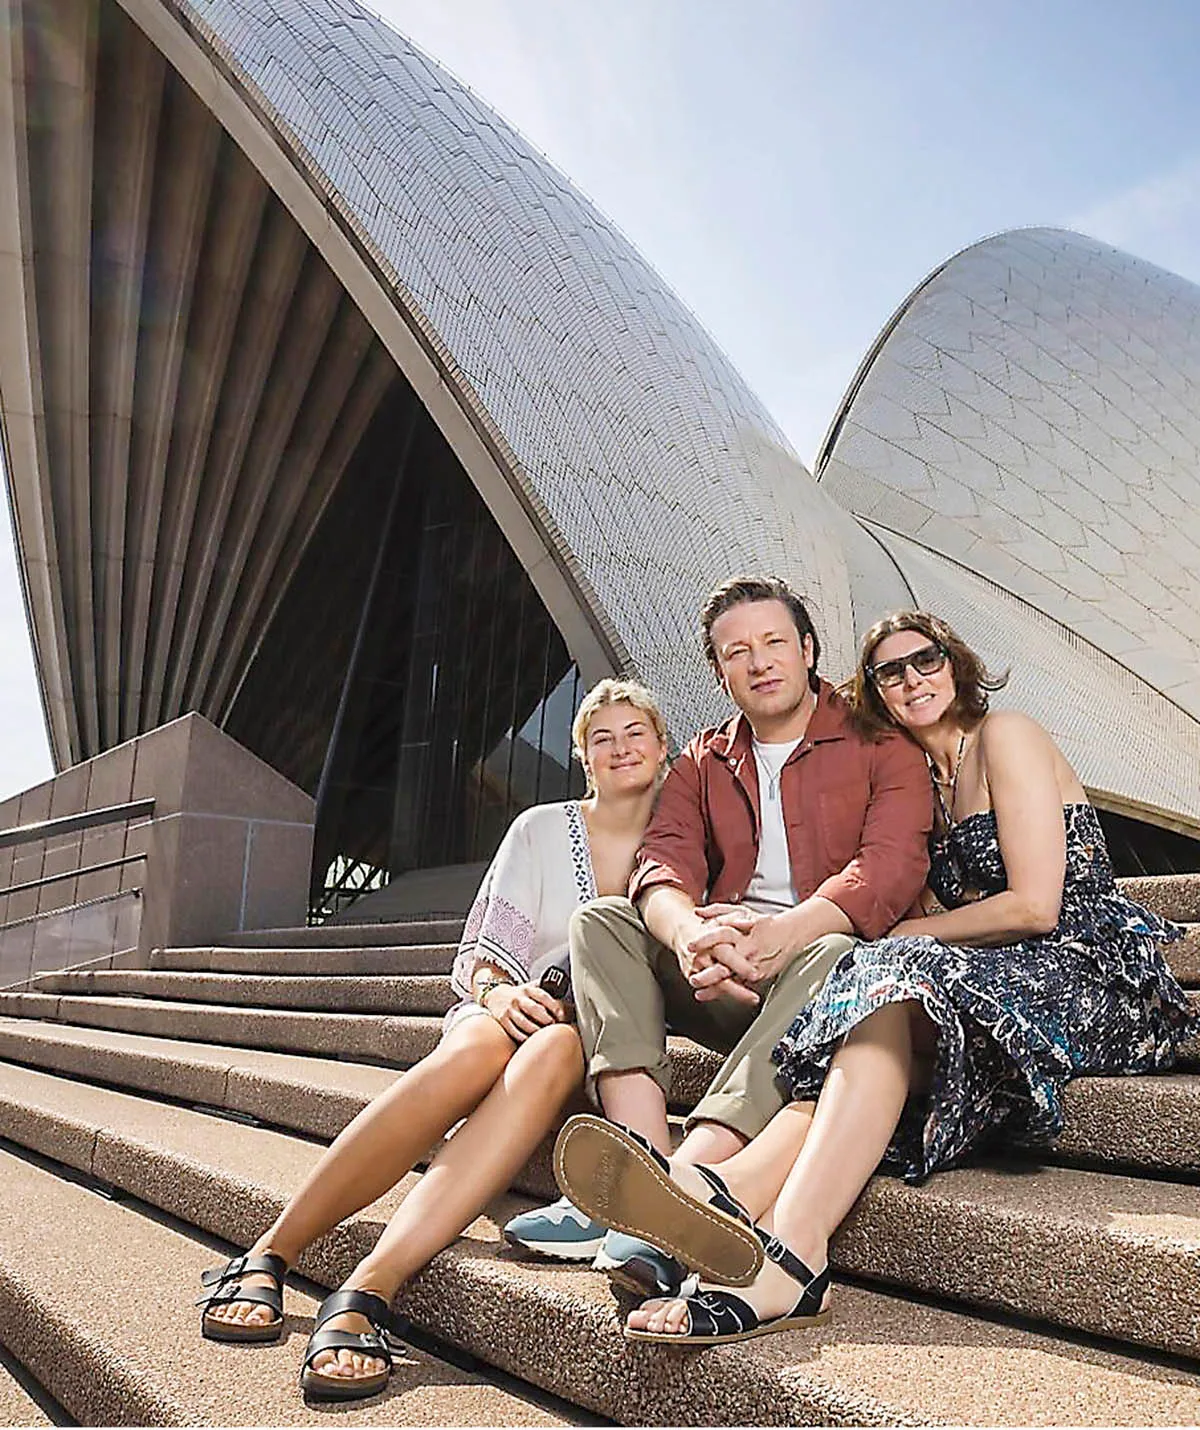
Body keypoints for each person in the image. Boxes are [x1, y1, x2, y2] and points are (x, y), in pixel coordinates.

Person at [552, 611, 1198, 1344]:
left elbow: (1034, 906)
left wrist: (885, 932)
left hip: (1088, 969)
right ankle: (730, 1206)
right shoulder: (914, 771)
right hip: (984, 977)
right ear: (875, 689)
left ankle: (742, 1216)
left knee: (876, 968)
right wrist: (709, 927)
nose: (912, 680)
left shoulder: (1005, 735)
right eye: (890, 672)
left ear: (956, 664)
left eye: (925, 661)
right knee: (865, 1011)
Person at [196, 679, 668, 1399]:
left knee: (557, 1048)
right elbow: (479, 956)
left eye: (635, 732)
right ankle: (269, 1251)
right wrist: (500, 994)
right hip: (499, 1007)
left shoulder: (680, 841)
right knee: (481, 1048)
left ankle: (369, 1286)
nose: (620, 747)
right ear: (582, 758)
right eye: (601, 737)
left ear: (662, 748)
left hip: (582, 1040)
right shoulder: (540, 829)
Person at [506, 577, 932, 1293]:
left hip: (829, 980)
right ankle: (636, 1165)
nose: (759, 662)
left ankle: (684, 1181)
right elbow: (661, 863)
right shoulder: (702, 761)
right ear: (718, 670)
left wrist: (785, 932)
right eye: (737, 652)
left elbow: (889, 868)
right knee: (603, 920)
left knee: (831, 952)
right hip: (726, 972)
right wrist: (688, 936)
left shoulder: (879, 744)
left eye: (773, 643)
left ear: (806, 650)